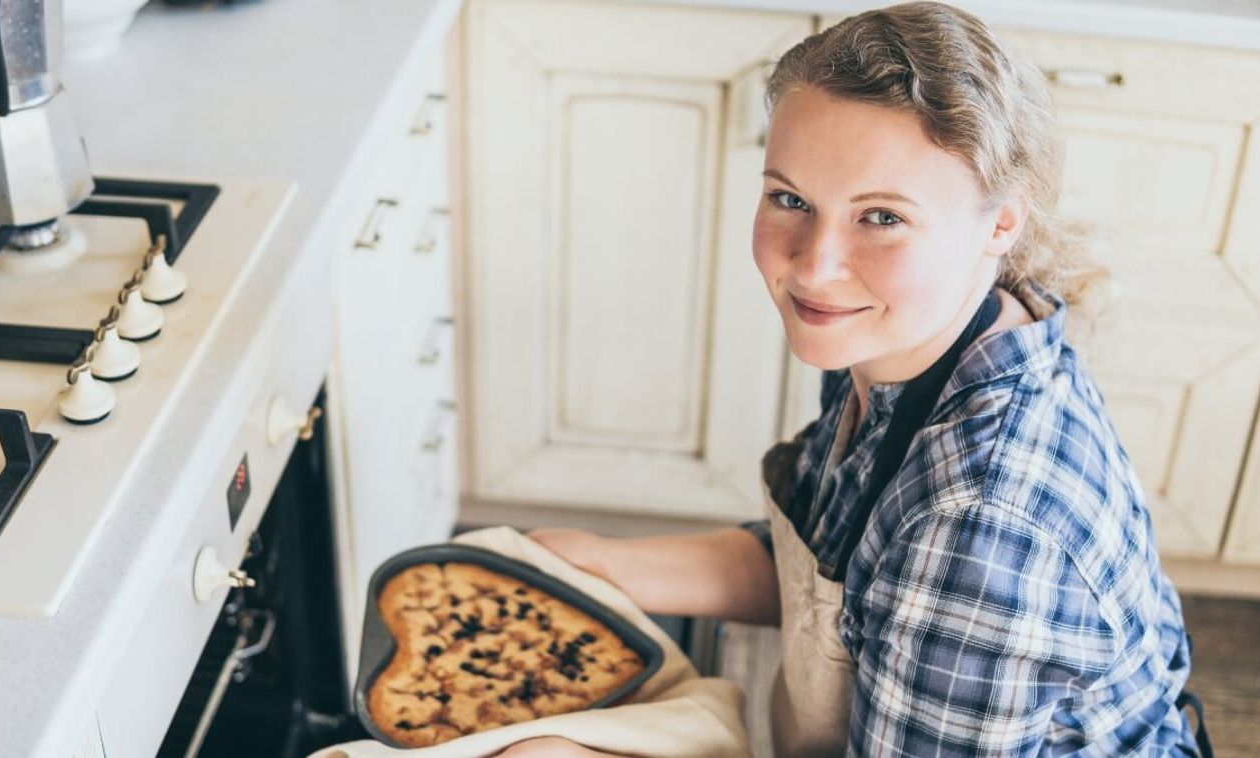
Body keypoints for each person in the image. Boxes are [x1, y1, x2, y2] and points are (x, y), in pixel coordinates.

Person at [496, 2, 1209, 756]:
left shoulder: (980, 528)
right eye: (789, 199)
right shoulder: (908, 344)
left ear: (1000, 222)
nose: (812, 266)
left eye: (881, 218)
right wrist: (588, 562)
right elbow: (832, 573)